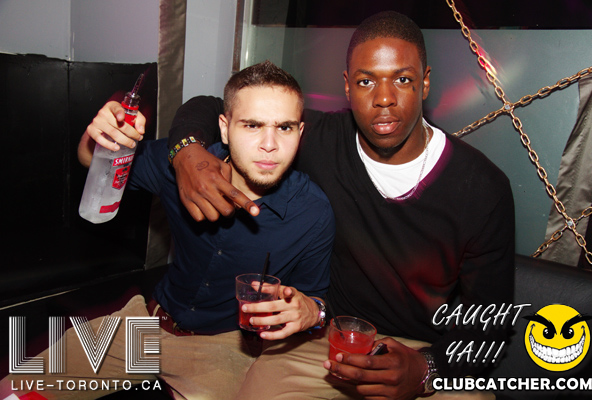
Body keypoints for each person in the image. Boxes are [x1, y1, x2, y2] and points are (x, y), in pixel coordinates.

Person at [165, 11, 515, 400]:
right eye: (367, 81)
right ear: (347, 87)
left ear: (426, 82)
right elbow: (213, 107)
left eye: (402, 79)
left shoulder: (481, 188)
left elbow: (491, 327)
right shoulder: (317, 140)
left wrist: (426, 368)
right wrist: (187, 153)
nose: (384, 98)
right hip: (323, 343)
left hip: (421, 352)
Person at [0, 61, 335, 400]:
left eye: (284, 127)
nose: (269, 144)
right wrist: (100, 135)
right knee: (14, 391)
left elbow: (314, 300)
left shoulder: (313, 212)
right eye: (252, 125)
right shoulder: (186, 168)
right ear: (224, 128)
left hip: (225, 349)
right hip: (146, 324)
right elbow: (93, 160)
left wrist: (312, 311)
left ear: (300, 133)